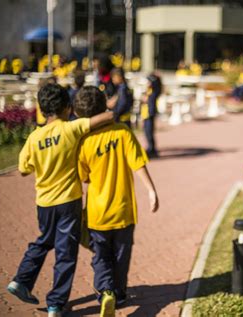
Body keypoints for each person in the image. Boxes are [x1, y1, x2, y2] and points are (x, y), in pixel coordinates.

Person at [7, 84, 113, 317]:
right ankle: (55, 303)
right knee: (65, 253)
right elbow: (106, 117)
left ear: (42, 110)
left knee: (44, 240)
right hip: (68, 202)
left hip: (44, 203)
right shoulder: (70, 129)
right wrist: (110, 107)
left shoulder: (34, 138)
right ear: (67, 108)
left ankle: (21, 280)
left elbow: (24, 169)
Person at [74, 86, 159, 316]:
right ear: (105, 107)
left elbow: (82, 177)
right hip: (124, 210)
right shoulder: (123, 132)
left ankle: (105, 292)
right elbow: (138, 163)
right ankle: (120, 293)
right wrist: (151, 190)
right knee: (122, 255)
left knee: (101, 256)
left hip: (97, 213)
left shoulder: (83, 142)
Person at [142, 73, 162, 158]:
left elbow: (150, 101)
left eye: (149, 81)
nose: (147, 83)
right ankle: (150, 148)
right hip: (145, 113)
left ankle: (152, 149)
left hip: (150, 114)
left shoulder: (154, 91)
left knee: (149, 131)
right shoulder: (149, 90)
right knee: (146, 131)